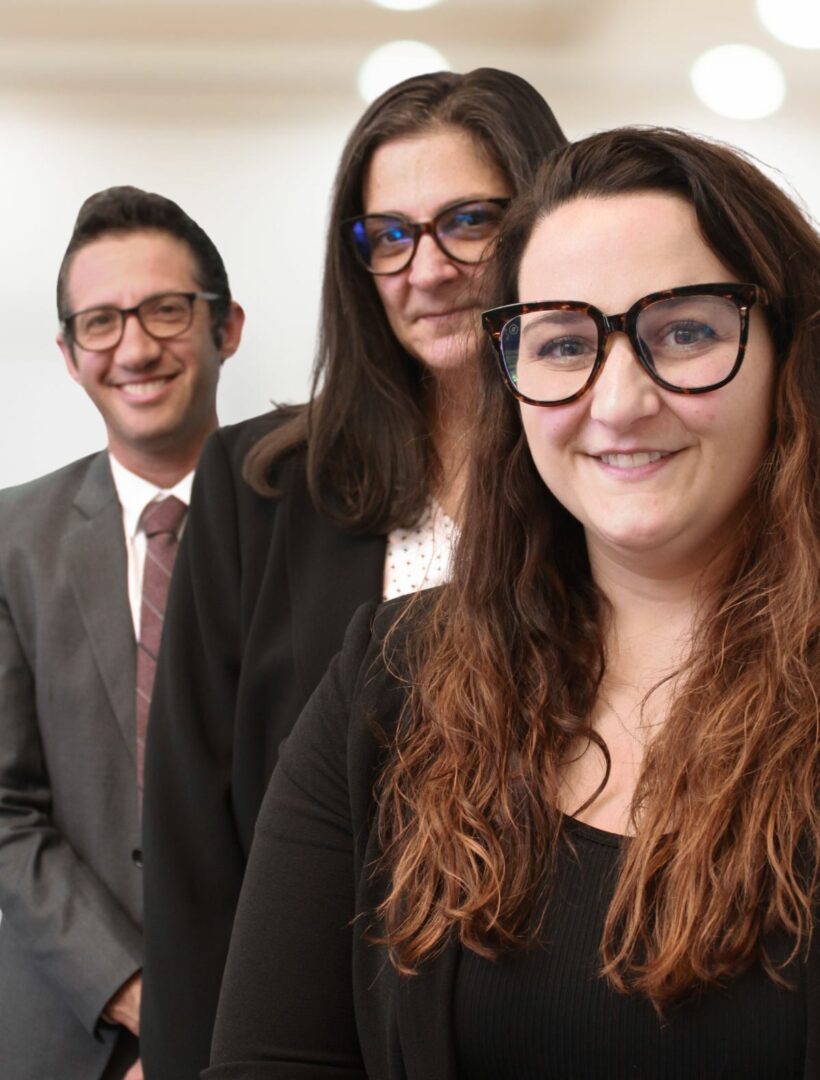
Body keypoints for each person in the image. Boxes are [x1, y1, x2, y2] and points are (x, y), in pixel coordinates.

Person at [206, 127, 819, 1079]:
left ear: (790, 356)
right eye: (565, 342)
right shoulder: (393, 680)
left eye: (686, 330)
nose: (617, 402)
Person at [140, 68, 566, 1079]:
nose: (427, 269)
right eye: (388, 236)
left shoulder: (611, 470)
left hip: (551, 1002)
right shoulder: (258, 487)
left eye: (470, 221)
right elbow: (196, 841)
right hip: (313, 1018)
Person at [0, 186, 244, 1080]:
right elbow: (4, 811)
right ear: (68, 355)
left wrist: (219, 1020)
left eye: (166, 311)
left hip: (269, 1029)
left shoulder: (309, 526)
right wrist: (145, 997)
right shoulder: (10, 545)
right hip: (68, 1032)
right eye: (99, 323)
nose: (135, 347)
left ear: (228, 327)